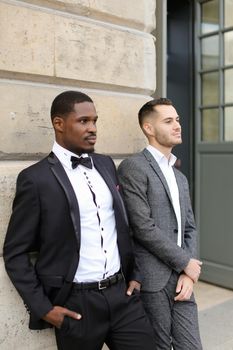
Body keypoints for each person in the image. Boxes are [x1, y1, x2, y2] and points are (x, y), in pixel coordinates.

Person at [3, 90, 156, 350]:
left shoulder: (106, 165)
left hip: (123, 296)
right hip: (77, 306)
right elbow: (15, 253)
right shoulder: (36, 179)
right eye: (83, 121)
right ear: (59, 124)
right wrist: (44, 308)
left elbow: (123, 226)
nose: (92, 128)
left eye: (95, 121)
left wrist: (135, 274)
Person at [118, 98, 203, 350]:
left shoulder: (179, 176)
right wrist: (185, 262)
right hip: (152, 277)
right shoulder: (134, 167)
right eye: (168, 121)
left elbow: (189, 227)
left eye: (177, 119)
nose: (177, 125)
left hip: (181, 277)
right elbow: (142, 226)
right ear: (148, 128)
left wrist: (189, 271)